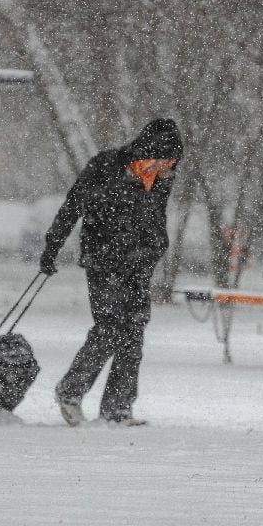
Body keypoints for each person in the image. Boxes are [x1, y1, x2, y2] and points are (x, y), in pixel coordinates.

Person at [39, 118, 183, 427]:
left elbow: (156, 217)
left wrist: (157, 245)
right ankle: (70, 391)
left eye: (172, 164)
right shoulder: (106, 165)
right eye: (165, 161)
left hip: (140, 263)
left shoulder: (160, 179)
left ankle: (117, 409)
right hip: (104, 261)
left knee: (133, 332)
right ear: (149, 152)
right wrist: (53, 246)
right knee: (110, 327)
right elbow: (72, 205)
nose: (168, 169)